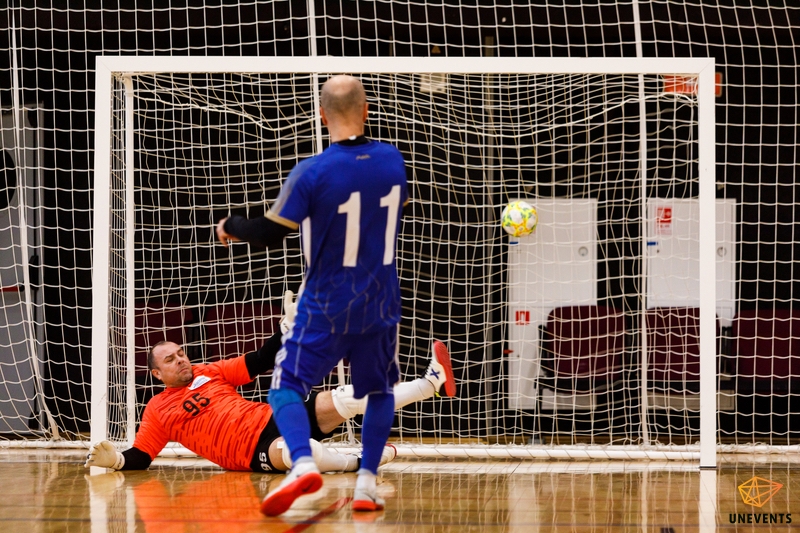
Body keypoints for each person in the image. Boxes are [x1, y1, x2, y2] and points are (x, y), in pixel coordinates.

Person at [215, 75, 415, 515]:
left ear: (322, 116)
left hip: (326, 303)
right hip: (380, 302)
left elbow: (268, 233)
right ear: (366, 111)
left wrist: (231, 224)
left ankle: (303, 463)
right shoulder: (392, 161)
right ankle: (366, 486)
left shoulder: (312, 171)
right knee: (378, 392)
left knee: (285, 387)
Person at [84, 329, 455, 475]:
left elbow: (259, 360)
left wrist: (285, 332)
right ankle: (356, 463)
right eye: (170, 359)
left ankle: (428, 384)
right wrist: (116, 461)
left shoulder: (209, 370)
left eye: (181, 353)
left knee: (345, 398)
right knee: (300, 452)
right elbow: (142, 456)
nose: (181, 359)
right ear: (156, 374)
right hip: (250, 452)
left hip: (275, 417)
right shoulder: (158, 409)